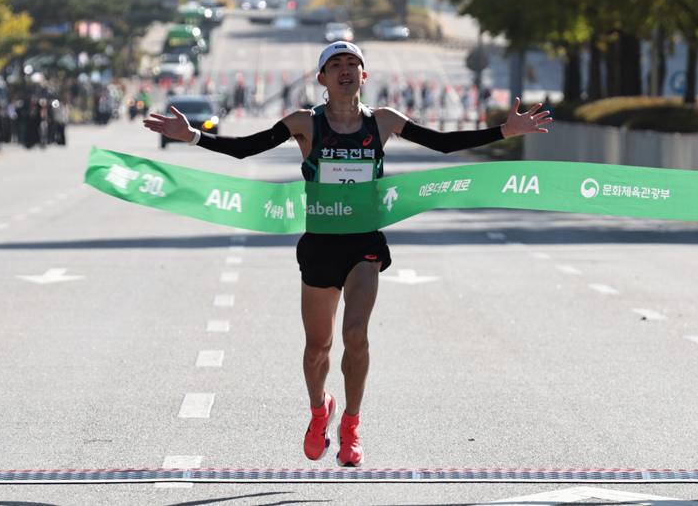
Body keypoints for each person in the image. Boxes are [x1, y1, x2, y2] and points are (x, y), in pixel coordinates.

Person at [143, 41, 551, 467]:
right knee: (317, 348)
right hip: (320, 245)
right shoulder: (304, 122)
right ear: (322, 78)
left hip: (363, 245)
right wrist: (192, 136)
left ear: (363, 75)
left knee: (356, 336)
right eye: (335, 64)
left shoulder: (384, 121)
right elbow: (246, 147)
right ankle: (320, 410)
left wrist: (504, 131)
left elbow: (442, 143)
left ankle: (351, 426)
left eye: (352, 63)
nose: (345, 70)